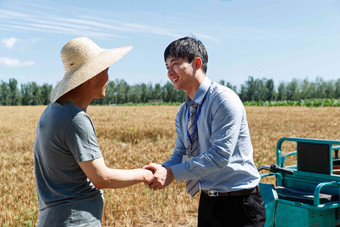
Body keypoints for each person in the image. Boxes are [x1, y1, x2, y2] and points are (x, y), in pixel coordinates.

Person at [144, 36, 266, 226]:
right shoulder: (183, 111)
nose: (169, 72)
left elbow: (219, 156)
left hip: (240, 204)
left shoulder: (223, 100)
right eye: (167, 66)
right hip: (208, 201)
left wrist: (172, 173)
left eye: (175, 64)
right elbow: (181, 152)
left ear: (196, 63)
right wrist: (163, 169)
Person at [34, 37, 153, 227]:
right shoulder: (75, 118)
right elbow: (101, 177)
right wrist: (144, 174)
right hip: (74, 221)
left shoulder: (52, 111)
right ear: (91, 76)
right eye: (105, 70)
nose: (108, 77)